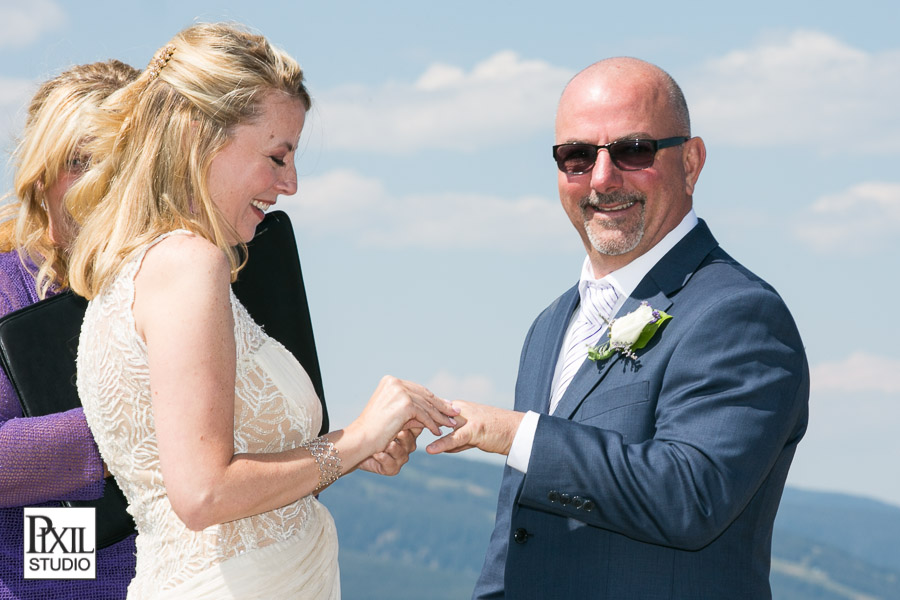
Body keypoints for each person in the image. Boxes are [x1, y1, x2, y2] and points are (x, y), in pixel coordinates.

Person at [66, 23, 457, 600]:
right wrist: (357, 439)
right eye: (277, 156)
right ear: (201, 135)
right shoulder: (189, 264)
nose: (291, 183)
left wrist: (354, 448)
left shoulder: (135, 267)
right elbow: (203, 494)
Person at [428, 57, 809, 599]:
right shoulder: (549, 325)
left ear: (692, 162)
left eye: (634, 150)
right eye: (577, 156)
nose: (602, 178)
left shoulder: (739, 313)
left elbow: (691, 496)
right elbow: (517, 533)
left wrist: (516, 434)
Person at [0, 59, 139, 599]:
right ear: (39, 171)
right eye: (80, 161)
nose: (99, 183)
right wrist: (138, 429)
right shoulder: (8, 284)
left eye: (117, 162)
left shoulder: (183, 280)